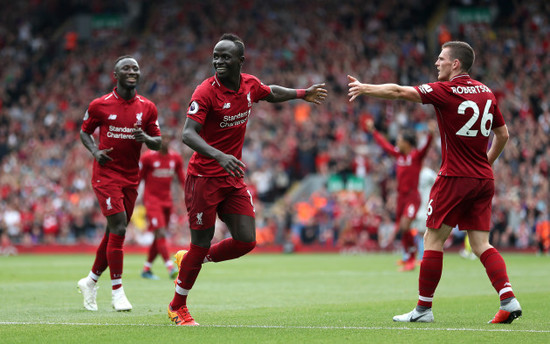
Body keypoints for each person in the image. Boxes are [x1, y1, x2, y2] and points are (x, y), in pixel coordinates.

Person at [348, 41, 521, 324]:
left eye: (441, 59)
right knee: (480, 243)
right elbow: (503, 136)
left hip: (454, 176)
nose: (436, 63)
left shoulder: (446, 90)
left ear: (456, 64)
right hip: (482, 179)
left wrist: (365, 88)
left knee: (432, 238)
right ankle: (508, 299)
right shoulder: (487, 92)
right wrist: (484, 164)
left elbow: (398, 91)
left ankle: (423, 309)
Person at [167, 33, 327, 326]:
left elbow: (270, 92)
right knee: (200, 243)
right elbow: (187, 134)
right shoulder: (204, 92)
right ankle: (178, 306)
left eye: (225, 57)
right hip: (204, 177)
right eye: (215, 56)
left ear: (240, 61)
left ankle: (190, 259)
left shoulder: (249, 84)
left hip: (231, 177)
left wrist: (303, 93)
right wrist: (219, 156)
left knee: (246, 240)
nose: (218, 62)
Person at [77, 56, 162, 312]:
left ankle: (90, 281)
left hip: (131, 176)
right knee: (119, 227)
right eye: (126, 68)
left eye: (135, 68)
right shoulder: (100, 105)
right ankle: (117, 292)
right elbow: (84, 131)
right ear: (116, 75)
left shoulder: (147, 107)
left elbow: (158, 142)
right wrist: (95, 151)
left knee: (113, 231)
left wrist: (145, 136)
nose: (132, 71)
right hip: (106, 174)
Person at [365, 118, 434, 271]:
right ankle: (407, 257)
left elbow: (427, 147)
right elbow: (384, 145)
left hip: (412, 197)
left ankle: (412, 255)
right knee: (401, 227)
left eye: (400, 140)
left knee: (404, 226)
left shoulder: (416, 156)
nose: (397, 142)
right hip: (400, 197)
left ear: (407, 143)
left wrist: (431, 133)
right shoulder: (399, 156)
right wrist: (373, 131)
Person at [139, 133, 185, 280]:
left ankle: (146, 269)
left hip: (167, 201)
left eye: (167, 138)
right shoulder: (147, 158)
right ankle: (170, 268)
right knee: (160, 233)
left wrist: (188, 194)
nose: (164, 141)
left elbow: (181, 179)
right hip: (152, 201)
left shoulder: (175, 158)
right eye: (161, 139)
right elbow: (138, 177)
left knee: (159, 237)